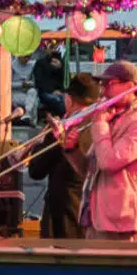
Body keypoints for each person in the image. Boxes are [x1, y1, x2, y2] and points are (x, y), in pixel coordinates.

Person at [82, 60, 137, 241]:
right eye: (103, 84)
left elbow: (108, 163)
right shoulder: (111, 119)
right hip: (95, 219)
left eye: (110, 83)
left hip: (120, 222)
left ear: (129, 86)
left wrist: (99, 124)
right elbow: (89, 169)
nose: (104, 90)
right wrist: (70, 150)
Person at [26, 73, 100, 239]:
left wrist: (50, 139)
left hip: (64, 213)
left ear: (69, 99)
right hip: (91, 215)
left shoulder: (66, 128)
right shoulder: (102, 127)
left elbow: (36, 170)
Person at [31, 45, 68, 121]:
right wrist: (52, 91)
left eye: (56, 47)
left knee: (66, 99)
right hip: (45, 92)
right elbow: (39, 82)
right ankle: (63, 119)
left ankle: (63, 118)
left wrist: (61, 68)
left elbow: (66, 80)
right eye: (52, 47)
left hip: (60, 91)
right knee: (57, 100)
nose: (54, 50)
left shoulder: (62, 63)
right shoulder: (40, 63)